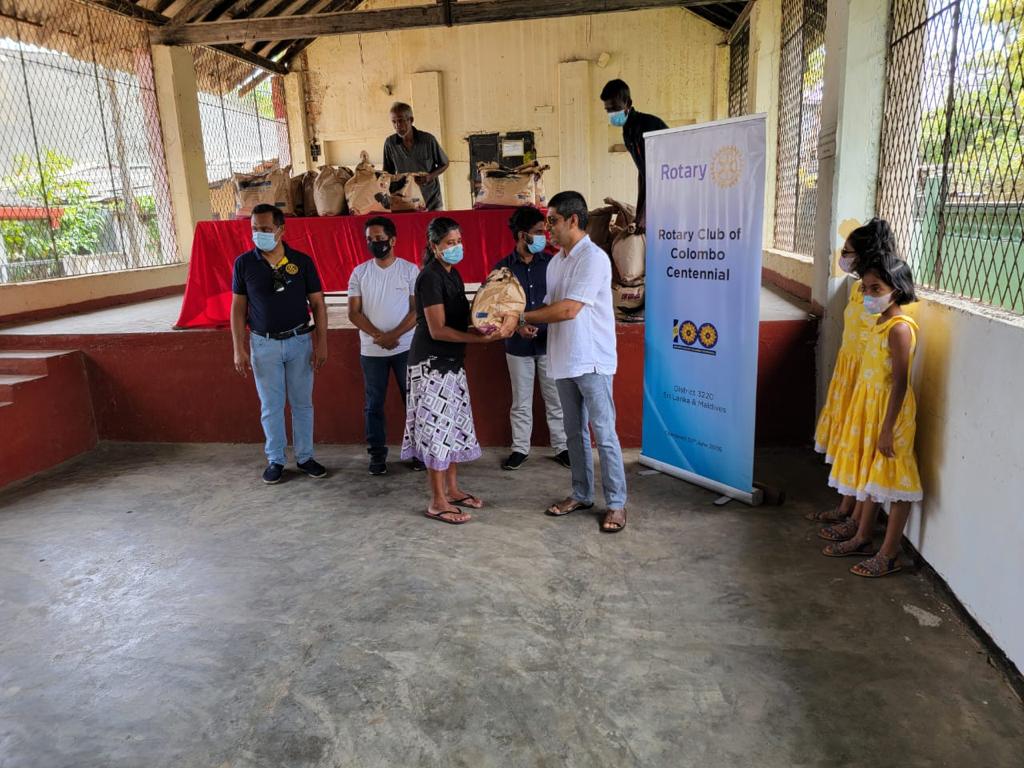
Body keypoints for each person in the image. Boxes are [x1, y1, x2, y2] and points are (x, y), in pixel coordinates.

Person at [506, 191, 629, 533]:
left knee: (604, 433)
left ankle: (616, 503)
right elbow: (551, 305)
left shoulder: (593, 258)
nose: (548, 229)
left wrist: (520, 316)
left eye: (553, 221)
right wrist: (530, 325)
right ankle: (581, 494)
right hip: (562, 359)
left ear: (574, 220)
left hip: (591, 360)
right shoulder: (557, 262)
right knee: (573, 433)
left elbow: (570, 309)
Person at [400, 217, 515, 524]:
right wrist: (479, 340)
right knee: (436, 431)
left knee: (451, 428)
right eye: (449, 243)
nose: (456, 247)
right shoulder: (429, 278)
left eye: (459, 242)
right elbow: (437, 329)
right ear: (433, 245)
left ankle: (452, 490)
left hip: (451, 364)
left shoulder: (453, 274)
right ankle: (437, 501)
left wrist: (490, 326)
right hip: (431, 366)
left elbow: (461, 320)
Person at [821, 258, 922, 577]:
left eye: (876, 289)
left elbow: (901, 383)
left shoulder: (900, 329)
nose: (868, 294)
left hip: (891, 414)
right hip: (872, 411)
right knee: (871, 474)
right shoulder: (879, 323)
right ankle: (863, 537)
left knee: (895, 477)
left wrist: (888, 429)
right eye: (865, 288)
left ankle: (889, 554)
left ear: (897, 290)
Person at [230, 203, 328, 484]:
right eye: (254, 229)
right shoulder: (244, 264)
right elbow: (238, 308)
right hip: (264, 345)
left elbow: (318, 303)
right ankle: (275, 460)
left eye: (265, 228)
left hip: (299, 342)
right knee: (271, 406)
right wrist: (238, 348)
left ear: (281, 230)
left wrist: (322, 343)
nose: (258, 234)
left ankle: (305, 457)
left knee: (302, 404)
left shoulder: (302, 262)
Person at [809, 219, 896, 529]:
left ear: (865, 253)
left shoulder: (880, 295)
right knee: (848, 442)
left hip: (864, 378)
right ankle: (846, 506)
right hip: (849, 372)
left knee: (861, 446)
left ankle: (858, 518)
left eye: (847, 252)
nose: (842, 257)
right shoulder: (861, 289)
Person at [494, 207, 570, 471]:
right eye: (538, 232)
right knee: (521, 401)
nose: (544, 236)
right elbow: (495, 307)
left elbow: (562, 301)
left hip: (550, 343)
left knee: (556, 399)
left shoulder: (553, 263)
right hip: (517, 346)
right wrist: (517, 326)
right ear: (522, 234)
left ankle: (562, 447)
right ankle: (520, 449)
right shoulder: (502, 268)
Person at [347, 216, 425, 476]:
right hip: (371, 352)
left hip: (407, 348)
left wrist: (394, 335)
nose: (374, 243)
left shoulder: (410, 270)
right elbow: (354, 312)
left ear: (392, 240)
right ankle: (377, 456)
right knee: (373, 405)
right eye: (370, 239)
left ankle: (418, 452)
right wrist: (379, 336)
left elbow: (417, 309)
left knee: (412, 401)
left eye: (379, 239)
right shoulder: (360, 273)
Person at [600, 79, 667, 233]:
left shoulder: (648, 127)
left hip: (673, 188)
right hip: (657, 188)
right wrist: (638, 215)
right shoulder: (628, 132)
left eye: (615, 108)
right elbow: (643, 174)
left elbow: (657, 174)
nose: (612, 114)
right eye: (608, 110)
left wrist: (645, 216)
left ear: (628, 103)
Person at [383, 102, 449, 211]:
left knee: (434, 222)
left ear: (411, 120)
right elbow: (387, 173)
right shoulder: (390, 143)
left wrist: (429, 177)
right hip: (405, 202)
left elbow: (445, 163)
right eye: (394, 122)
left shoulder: (428, 140)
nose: (397, 125)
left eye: (400, 120)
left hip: (431, 200)